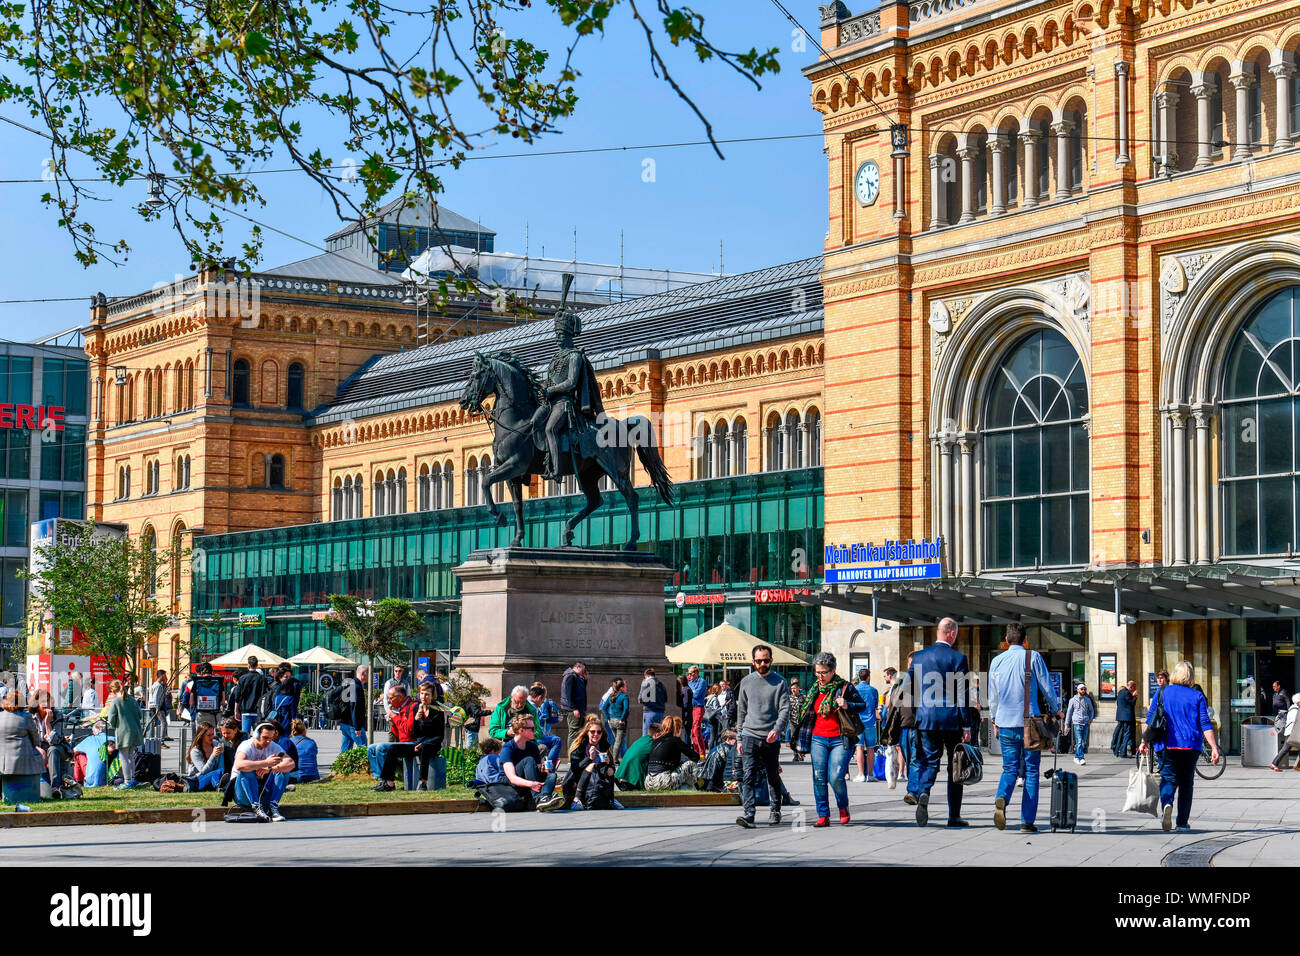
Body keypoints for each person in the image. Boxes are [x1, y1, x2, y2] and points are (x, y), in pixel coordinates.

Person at [988, 623, 1062, 834]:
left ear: (1007, 639)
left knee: (1010, 769)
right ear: (1025, 640)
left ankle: (1002, 796)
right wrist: (1056, 710)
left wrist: (995, 719)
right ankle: (1026, 822)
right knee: (1031, 772)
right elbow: (1047, 686)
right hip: (1030, 725)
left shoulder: (997, 661)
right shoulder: (1033, 657)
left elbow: (993, 696)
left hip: (1005, 723)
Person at [905, 618, 978, 828]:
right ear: (952, 634)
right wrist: (966, 726)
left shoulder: (918, 657)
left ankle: (924, 793)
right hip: (952, 720)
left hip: (926, 719)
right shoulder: (958, 658)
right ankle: (954, 816)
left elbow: (908, 688)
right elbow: (963, 694)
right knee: (956, 767)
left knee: (929, 761)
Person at [1140, 660, 1220, 833]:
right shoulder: (1197, 695)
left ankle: (1167, 803)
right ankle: (1182, 823)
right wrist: (1214, 747)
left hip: (1167, 745)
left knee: (1168, 778)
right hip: (1191, 746)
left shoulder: (1162, 692)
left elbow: (1150, 720)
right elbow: (1205, 723)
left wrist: (1143, 742)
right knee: (1186, 784)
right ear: (1190, 676)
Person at [791, 651, 864, 827]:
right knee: (818, 777)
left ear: (833, 671)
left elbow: (863, 706)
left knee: (836, 776)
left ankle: (843, 807)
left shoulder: (845, 687)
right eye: (817, 672)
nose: (820, 676)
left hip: (840, 738)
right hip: (818, 738)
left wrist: (848, 705)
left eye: (824, 672)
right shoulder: (815, 689)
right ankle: (823, 814)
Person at [734, 643, 791, 829]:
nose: (763, 664)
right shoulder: (746, 682)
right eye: (759, 661)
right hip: (749, 734)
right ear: (753, 662)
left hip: (770, 736)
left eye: (766, 660)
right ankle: (749, 813)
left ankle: (775, 810)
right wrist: (739, 739)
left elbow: (784, 709)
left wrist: (777, 729)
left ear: (771, 660)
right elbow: (741, 711)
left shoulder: (780, 682)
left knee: (772, 775)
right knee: (748, 775)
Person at [231, 721, 295, 822]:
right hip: (242, 793)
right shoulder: (246, 745)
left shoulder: (273, 746)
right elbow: (239, 765)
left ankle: (272, 807)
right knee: (246, 769)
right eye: (265, 737)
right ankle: (256, 807)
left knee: (283, 770)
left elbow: (290, 763)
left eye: (271, 738)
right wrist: (265, 762)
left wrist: (271, 768)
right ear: (256, 735)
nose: (269, 741)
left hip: (262, 791)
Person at [501, 713, 565, 811]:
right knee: (528, 760)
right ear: (521, 730)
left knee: (551, 775)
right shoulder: (508, 748)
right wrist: (531, 784)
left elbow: (538, 769)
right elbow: (512, 778)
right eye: (531, 729)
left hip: (530, 782)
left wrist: (543, 769)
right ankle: (539, 798)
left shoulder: (532, 746)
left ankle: (544, 798)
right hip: (513, 785)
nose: (534, 731)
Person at [563, 713, 618, 809]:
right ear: (587, 732)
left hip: (597, 779)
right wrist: (589, 759)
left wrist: (610, 766)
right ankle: (577, 799)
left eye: (599, 732)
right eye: (592, 732)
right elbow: (574, 769)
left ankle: (611, 800)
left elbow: (612, 766)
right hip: (578, 781)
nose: (595, 735)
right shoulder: (579, 746)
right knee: (592, 766)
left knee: (609, 771)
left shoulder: (604, 746)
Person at [370, 683, 416, 792]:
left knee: (381, 748)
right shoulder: (400, 708)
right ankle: (382, 780)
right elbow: (398, 734)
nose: (389, 701)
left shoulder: (411, 707)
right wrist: (392, 723)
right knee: (371, 748)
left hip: (412, 742)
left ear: (400, 697)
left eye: (391, 698)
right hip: (404, 741)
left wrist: (394, 717)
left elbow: (408, 731)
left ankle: (389, 783)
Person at [106, 680, 145, 790]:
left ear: (113, 690)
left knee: (123, 757)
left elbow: (111, 719)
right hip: (135, 731)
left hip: (123, 731)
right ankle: (132, 779)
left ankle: (127, 781)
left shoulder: (115, 701)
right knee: (131, 756)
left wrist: (114, 725)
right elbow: (140, 715)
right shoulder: (132, 699)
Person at [0, 694, 45, 786]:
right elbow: (35, 740)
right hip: (22, 759)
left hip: (2, 761)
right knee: (41, 754)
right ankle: (48, 786)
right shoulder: (26, 717)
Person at [645, 718, 700, 791]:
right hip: (664, 781)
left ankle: (686, 788)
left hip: (648, 783)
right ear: (675, 728)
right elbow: (695, 756)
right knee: (691, 764)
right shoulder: (675, 740)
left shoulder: (655, 741)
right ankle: (694, 788)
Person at [879, 666, 908, 790]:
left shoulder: (894, 688)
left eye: (885, 675)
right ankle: (900, 772)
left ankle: (899, 772)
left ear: (890, 675)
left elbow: (888, 704)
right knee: (899, 748)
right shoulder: (899, 687)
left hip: (894, 721)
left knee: (897, 748)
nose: (884, 678)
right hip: (898, 721)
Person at [411, 683, 445, 789]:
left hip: (432, 744)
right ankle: (388, 782)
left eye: (427, 694)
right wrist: (416, 719)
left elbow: (440, 735)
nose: (423, 697)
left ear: (432, 696)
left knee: (424, 748)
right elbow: (414, 733)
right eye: (422, 693)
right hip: (418, 742)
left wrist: (422, 743)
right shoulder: (416, 708)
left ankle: (423, 782)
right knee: (393, 748)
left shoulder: (438, 710)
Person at [852, 668, 880, 783]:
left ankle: (861, 774)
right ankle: (870, 774)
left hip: (858, 723)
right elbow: (875, 706)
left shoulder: (854, 689)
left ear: (859, 677)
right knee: (870, 749)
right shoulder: (873, 690)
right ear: (868, 677)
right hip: (870, 722)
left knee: (859, 747)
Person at [615, 723, 656, 791]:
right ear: (656, 735)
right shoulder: (651, 743)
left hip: (622, 776)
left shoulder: (642, 739)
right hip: (633, 781)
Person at [187, 662, 225, 732]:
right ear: (211, 671)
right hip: (214, 714)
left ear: (202, 672)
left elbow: (191, 703)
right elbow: (223, 702)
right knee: (211, 735)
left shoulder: (197, 682)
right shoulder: (218, 681)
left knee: (200, 734)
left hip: (201, 714)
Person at [187, 721, 225, 790]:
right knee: (217, 773)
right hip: (197, 780)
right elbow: (203, 772)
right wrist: (213, 756)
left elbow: (221, 767)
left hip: (214, 776)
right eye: (208, 735)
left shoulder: (216, 744)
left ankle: (218, 785)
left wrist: (221, 754)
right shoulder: (195, 751)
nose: (211, 737)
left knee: (220, 771)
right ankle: (218, 785)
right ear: (201, 736)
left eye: (213, 734)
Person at [233, 657, 267, 735]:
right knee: (258, 734)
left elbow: (237, 696)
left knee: (245, 734)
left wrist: (236, 710)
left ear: (248, 665)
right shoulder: (262, 679)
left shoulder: (242, 678)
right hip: (258, 710)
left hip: (246, 710)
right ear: (257, 665)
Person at [339, 664, 369, 751]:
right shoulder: (356, 686)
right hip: (353, 724)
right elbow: (355, 707)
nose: (370, 677)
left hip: (345, 722)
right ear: (363, 674)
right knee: (363, 748)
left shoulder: (351, 684)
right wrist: (357, 727)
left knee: (345, 750)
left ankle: (342, 764)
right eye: (369, 674)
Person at [1066, 683, 1094, 765]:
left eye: (1085, 689)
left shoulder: (1087, 700)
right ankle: (1081, 758)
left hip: (1086, 722)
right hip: (1077, 722)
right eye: (1081, 689)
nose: (1083, 690)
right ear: (1077, 690)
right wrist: (1066, 725)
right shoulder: (1072, 700)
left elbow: (1092, 710)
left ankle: (1076, 757)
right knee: (1079, 741)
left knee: (1083, 741)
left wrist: (1090, 719)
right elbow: (1069, 712)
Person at [559, 662, 588, 743]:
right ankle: (571, 754)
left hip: (579, 709)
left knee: (579, 733)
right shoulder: (570, 676)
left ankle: (576, 753)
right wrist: (574, 708)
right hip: (574, 710)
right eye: (583, 669)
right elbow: (568, 694)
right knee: (574, 732)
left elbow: (581, 691)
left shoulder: (577, 677)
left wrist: (585, 680)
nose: (584, 671)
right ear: (578, 667)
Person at [1270, 693, 1300, 771]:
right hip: (1292, 733)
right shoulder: (1294, 710)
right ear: (1298, 702)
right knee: (1285, 749)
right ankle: (1274, 764)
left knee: (1285, 749)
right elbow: (1296, 721)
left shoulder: (1294, 708)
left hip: (1293, 732)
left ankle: (1296, 765)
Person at [601, 679, 629, 759]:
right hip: (620, 722)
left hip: (612, 721)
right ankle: (615, 760)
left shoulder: (611, 696)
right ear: (621, 688)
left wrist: (609, 719)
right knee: (618, 742)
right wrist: (622, 719)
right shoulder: (624, 696)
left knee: (617, 741)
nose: (626, 688)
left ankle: (614, 759)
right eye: (625, 686)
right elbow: (626, 709)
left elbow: (603, 708)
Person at [1113, 678, 1139, 759]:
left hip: (1121, 717)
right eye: (1134, 687)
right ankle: (1123, 752)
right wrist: (1134, 696)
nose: (1134, 689)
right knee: (1127, 734)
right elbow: (1132, 703)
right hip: (1127, 717)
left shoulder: (1121, 692)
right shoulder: (1127, 693)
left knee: (1122, 734)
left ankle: (1119, 749)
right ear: (1131, 687)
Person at [638, 667, 667, 738]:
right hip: (661, 713)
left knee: (647, 736)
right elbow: (665, 699)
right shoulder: (662, 685)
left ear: (646, 676)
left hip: (649, 712)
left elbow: (640, 699)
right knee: (660, 735)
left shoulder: (646, 683)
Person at [288, 718, 320, 782]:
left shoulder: (289, 742)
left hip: (298, 776)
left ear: (293, 730)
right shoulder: (312, 742)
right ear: (304, 730)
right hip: (313, 775)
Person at [686, 665, 707, 756]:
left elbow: (696, 695)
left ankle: (702, 753)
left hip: (698, 708)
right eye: (689, 674)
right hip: (691, 708)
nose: (689, 675)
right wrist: (692, 691)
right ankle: (696, 753)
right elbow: (689, 693)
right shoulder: (690, 682)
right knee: (692, 732)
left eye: (691, 673)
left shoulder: (702, 682)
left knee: (696, 730)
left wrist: (692, 692)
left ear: (696, 673)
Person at [148, 670, 171, 741]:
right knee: (164, 722)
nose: (166, 677)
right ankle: (161, 739)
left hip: (153, 706)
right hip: (157, 707)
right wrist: (157, 709)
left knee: (154, 723)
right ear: (161, 676)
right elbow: (156, 697)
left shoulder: (155, 684)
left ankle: (152, 738)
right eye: (165, 675)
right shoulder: (158, 686)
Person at [787, 678, 805, 761]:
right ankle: (795, 755)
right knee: (793, 739)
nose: (793, 690)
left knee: (801, 739)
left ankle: (801, 754)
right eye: (791, 689)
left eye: (794, 688)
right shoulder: (789, 698)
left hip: (802, 721)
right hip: (793, 721)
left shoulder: (803, 698)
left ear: (798, 688)